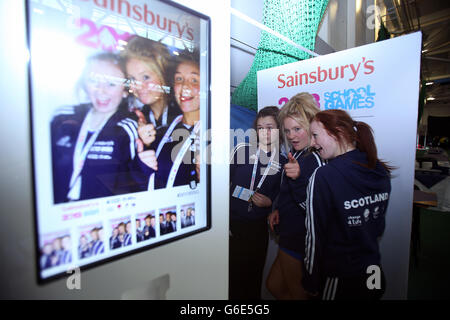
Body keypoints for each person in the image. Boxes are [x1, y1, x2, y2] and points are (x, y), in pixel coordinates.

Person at [303, 109, 392, 300]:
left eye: (315, 135)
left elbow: (314, 237)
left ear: (338, 133)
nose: (312, 143)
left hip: (341, 278)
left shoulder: (324, 176)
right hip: (374, 272)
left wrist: (311, 281)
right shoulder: (378, 169)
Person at [51, 52, 138, 203]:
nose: (101, 90)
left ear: (125, 91)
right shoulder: (62, 117)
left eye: (111, 83)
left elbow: (132, 185)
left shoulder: (127, 129)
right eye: (94, 81)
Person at [266, 92, 325, 300]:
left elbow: (314, 209)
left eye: (298, 129)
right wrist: (279, 209)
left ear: (311, 126)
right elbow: (290, 191)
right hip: (289, 232)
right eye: (288, 130)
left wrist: (298, 177)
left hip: (299, 239)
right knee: (274, 285)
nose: (291, 136)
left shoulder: (315, 158)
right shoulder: (298, 152)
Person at [229, 106, 283, 300]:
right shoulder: (242, 150)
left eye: (269, 127)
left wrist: (270, 202)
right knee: (233, 280)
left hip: (257, 229)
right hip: (233, 226)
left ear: (279, 129)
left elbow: (281, 198)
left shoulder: (283, 161)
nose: (264, 132)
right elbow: (225, 187)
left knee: (253, 280)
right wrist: (248, 195)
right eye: (260, 127)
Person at [134, 50, 201, 190]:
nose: (184, 86)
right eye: (179, 79)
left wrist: (207, 180)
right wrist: (141, 161)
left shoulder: (215, 134)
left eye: (194, 80)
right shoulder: (163, 130)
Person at [122, 35, 181, 130]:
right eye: (132, 79)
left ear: (163, 74)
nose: (139, 86)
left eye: (146, 77)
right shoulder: (135, 119)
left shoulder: (183, 113)